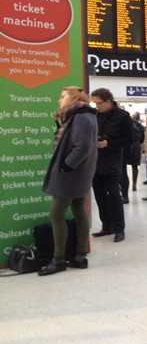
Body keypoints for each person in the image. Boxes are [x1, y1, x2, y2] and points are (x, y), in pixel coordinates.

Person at [39, 87, 98, 276]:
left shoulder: (81, 117)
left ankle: (59, 260)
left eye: (62, 96)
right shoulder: (81, 115)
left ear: (73, 97)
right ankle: (80, 257)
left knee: (56, 215)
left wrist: (66, 165)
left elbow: (83, 146)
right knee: (79, 211)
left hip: (71, 175)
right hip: (78, 174)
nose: (59, 100)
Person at [90, 88, 132, 243]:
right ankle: (107, 225)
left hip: (112, 161)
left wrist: (109, 143)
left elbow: (130, 139)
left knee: (114, 195)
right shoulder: (95, 115)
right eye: (94, 103)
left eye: (99, 103)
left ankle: (119, 229)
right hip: (95, 161)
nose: (97, 106)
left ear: (108, 101)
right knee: (99, 195)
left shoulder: (122, 116)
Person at [120, 111, 144, 203]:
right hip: (135, 148)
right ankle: (134, 185)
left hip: (124, 148)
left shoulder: (121, 125)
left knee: (122, 171)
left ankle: (124, 194)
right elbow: (141, 139)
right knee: (135, 167)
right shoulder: (139, 125)